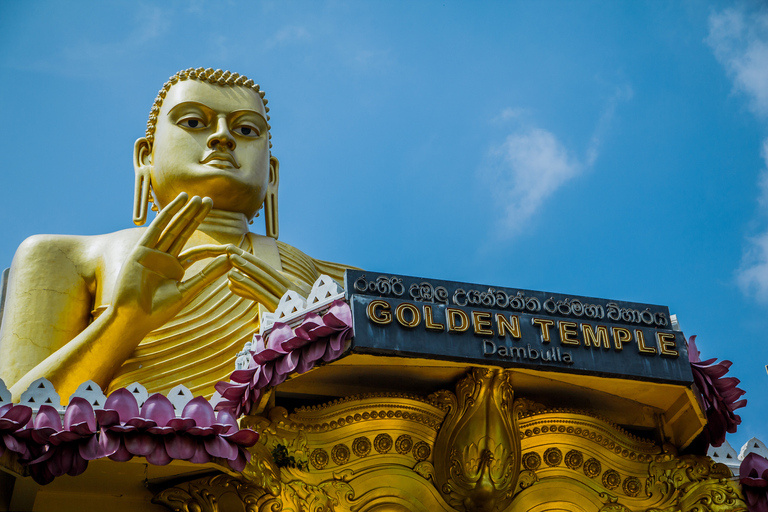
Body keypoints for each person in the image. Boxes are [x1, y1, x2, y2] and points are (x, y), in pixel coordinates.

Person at [0, 68, 348, 402]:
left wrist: (326, 325)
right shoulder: (65, 257)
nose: (223, 137)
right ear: (145, 157)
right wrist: (123, 322)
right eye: (193, 122)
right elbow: (12, 420)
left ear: (271, 174)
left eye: (246, 130)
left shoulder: (333, 283)